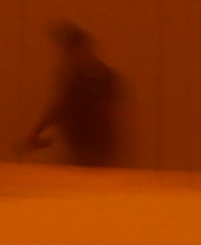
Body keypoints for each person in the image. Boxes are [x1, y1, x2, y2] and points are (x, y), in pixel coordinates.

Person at [23, 21, 126, 170]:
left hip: (96, 148)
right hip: (82, 148)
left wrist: (37, 130)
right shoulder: (75, 78)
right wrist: (37, 130)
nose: (70, 56)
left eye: (71, 50)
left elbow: (109, 114)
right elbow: (59, 107)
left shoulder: (102, 78)